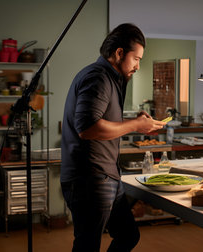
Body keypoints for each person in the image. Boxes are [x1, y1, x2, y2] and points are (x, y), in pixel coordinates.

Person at [61, 23, 166, 251]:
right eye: (136, 59)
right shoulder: (98, 77)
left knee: (128, 235)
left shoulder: (108, 78)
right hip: (90, 180)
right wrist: (136, 125)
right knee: (88, 245)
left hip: (106, 177)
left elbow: (102, 119)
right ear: (119, 53)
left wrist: (136, 121)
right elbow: (87, 128)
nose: (138, 66)